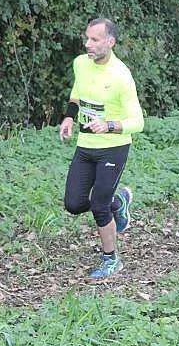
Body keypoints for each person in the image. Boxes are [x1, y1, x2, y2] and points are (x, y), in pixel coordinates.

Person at [59, 17, 144, 279]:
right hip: (86, 145)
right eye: (87, 38)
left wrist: (109, 125)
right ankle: (118, 202)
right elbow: (78, 92)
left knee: (98, 205)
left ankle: (111, 259)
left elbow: (138, 122)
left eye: (95, 40)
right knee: (73, 204)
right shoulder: (80, 63)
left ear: (110, 42)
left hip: (113, 148)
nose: (88, 44)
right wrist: (69, 117)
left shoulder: (121, 75)